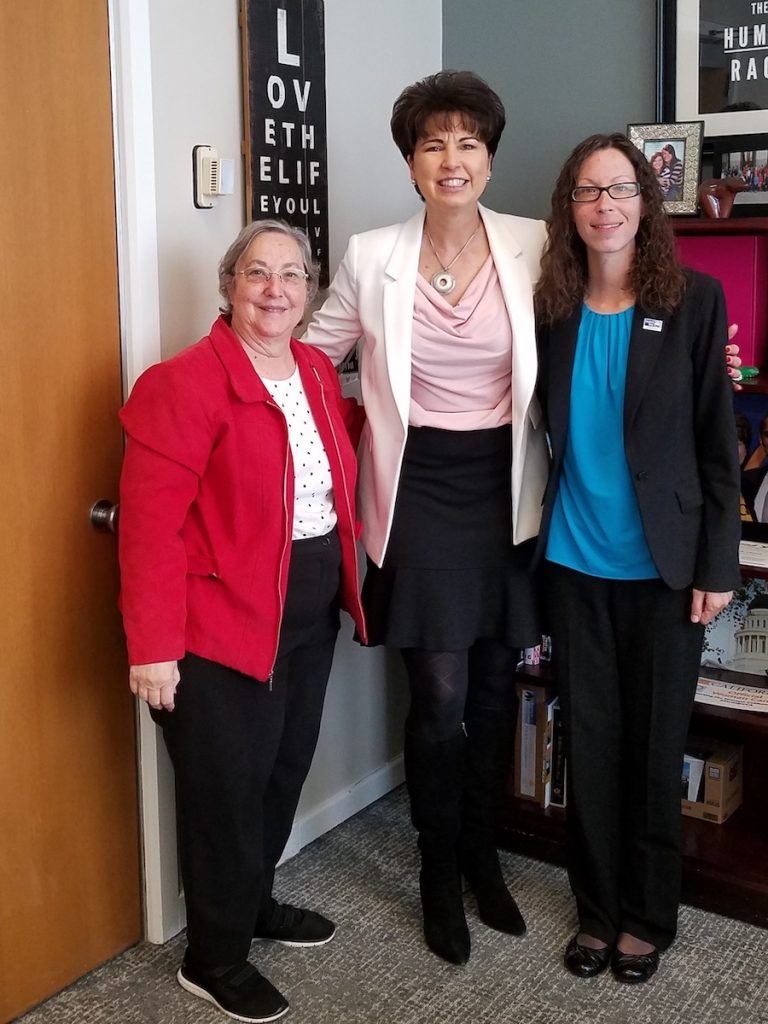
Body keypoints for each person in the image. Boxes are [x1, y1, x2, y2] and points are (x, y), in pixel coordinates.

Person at [304, 71, 549, 965]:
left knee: (492, 690)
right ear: (412, 163)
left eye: (469, 142)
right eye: (434, 144)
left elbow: (603, 321)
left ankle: (484, 858)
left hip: (506, 490)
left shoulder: (535, 242)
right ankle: (437, 870)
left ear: (489, 158)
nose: (453, 158)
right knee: (439, 697)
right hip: (415, 495)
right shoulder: (373, 256)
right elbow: (313, 354)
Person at [118, 219, 366, 1024]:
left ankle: (252, 904)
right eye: (257, 274)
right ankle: (213, 957)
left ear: (309, 290)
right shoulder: (181, 384)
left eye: (292, 275)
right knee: (225, 790)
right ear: (229, 286)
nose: (275, 290)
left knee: (282, 768)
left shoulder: (316, 372)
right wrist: (153, 648)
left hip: (306, 606)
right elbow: (149, 526)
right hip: (219, 624)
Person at [533, 133, 741, 984]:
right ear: (569, 210)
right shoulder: (546, 306)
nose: (605, 206)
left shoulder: (695, 301)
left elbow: (716, 444)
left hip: (666, 571)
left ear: (645, 204)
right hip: (575, 565)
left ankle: (647, 917)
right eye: (587, 193)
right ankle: (595, 910)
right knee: (589, 746)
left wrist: (718, 566)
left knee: (654, 752)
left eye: (620, 189)